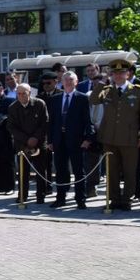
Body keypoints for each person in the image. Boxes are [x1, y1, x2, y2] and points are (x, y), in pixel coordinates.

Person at [90, 58, 140, 211]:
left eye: (121, 73)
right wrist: (102, 81)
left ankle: (127, 199)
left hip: (129, 139)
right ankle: (114, 199)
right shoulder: (106, 90)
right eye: (115, 73)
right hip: (110, 139)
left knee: (129, 171)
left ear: (128, 74)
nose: (118, 76)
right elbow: (93, 100)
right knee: (111, 171)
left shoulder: (138, 91)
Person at [47, 71, 93, 209]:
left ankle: (80, 198)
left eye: (70, 79)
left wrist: (87, 139)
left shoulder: (82, 98)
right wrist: (50, 140)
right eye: (65, 79)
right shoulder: (55, 98)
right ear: (61, 81)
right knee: (61, 170)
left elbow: (88, 120)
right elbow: (51, 122)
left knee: (79, 170)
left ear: (76, 82)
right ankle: (60, 198)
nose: (67, 82)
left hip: (76, 140)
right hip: (58, 140)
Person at [6, 83, 49, 204]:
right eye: (18, 94)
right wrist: (26, 139)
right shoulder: (13, 107)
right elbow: (11, 127)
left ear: (29, 93)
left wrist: (35, 137)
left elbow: (45, 122)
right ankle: (22, 195)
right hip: (22, 144)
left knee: (41, 171)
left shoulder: (40, 104)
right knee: (23, 171)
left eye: (23, 93)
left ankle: (41, 195)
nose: (21, 96)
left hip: (39, 143)